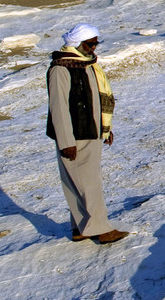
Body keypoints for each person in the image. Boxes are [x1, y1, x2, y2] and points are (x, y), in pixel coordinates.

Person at [46, 23, 128, 244]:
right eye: (90, 44)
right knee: (87, 184)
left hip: (91, 132)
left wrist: (105, 128)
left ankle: (80, 228)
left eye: (95, 43)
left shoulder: (87, 65)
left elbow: (97, 100)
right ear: (77, 44)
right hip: (74, 136)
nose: (93, 48)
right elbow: (59, 107)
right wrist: (66, 142)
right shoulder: (60, 69)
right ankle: (101, 229)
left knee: (78, 182)